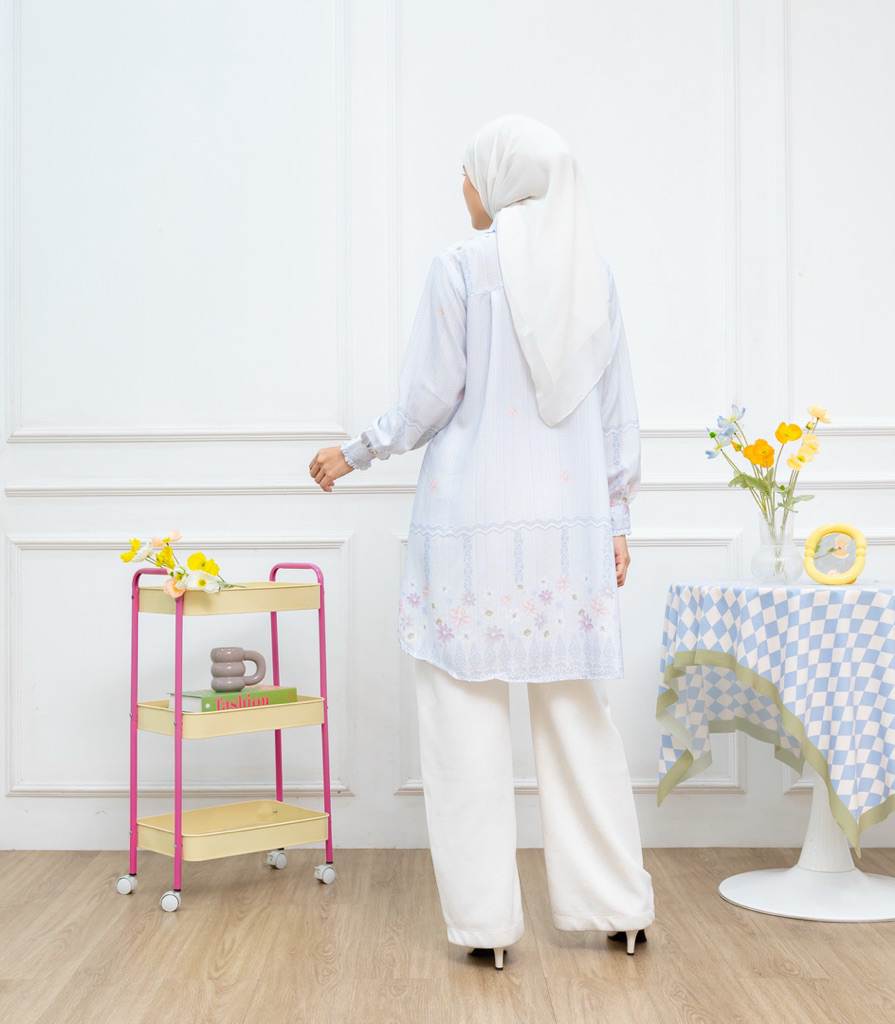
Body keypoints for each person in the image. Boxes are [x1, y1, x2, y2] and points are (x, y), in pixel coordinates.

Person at [309, 114, 653, 969]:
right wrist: (616, 518)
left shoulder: (461, 268)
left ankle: (487, 928)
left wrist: (357, 451)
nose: (462, 187)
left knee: (462, 724)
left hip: (470, 531)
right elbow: (618, 413)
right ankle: (619, 908)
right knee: (578, 720)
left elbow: (429, 396)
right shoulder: (592, 276)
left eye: (469, 173)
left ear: (500, 181)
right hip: (567, 536)